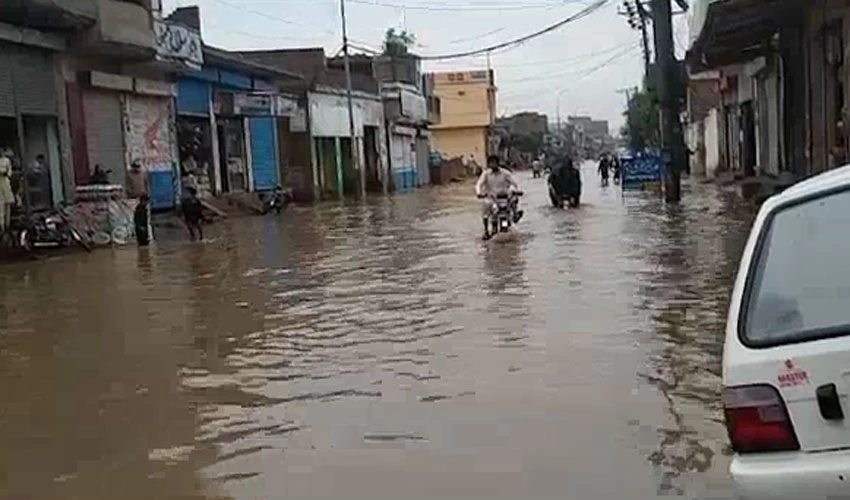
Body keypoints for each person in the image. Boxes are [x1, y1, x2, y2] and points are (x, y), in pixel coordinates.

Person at [475, 154, 523, 240]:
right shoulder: (486, 174)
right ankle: (486, 231)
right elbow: (479, 184)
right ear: (488, 164)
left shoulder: (505, 173)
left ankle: (515, 215)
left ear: (498, 163)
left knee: (514, 200)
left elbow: (514, 183)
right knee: (485, 211)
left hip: (505, 198)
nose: (493, 165)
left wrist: (517, 190)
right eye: (491, 163)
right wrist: (479, 193)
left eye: (494, 163)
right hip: (491, 198)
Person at [0, 150, 13, 234]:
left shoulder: (6, 160)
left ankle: (7, 226)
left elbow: (9, 172)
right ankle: (2, 226)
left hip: (5, 185)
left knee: (7, 205)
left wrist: (5, 173)